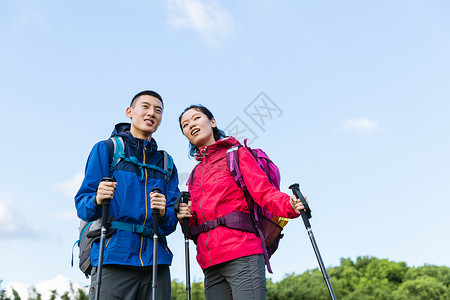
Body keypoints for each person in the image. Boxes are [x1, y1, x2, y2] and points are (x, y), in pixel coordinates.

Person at [176, 104, 305, 300]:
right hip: (210, 263)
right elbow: (192, 227)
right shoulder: (194, 175)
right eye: (185, 125)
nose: (191, 125)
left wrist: (291, 205)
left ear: (212, 122)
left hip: (242, 252)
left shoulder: (237, 154)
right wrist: (183, 215)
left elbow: (264, 192)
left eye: (196, 118)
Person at [75, 90, 180, 299]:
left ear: (160, 120)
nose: (152, 113)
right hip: (113, 256)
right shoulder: (107, 149)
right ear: (129, 112)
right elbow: (82, 206)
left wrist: (165, 212)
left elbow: (170, 224)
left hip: (156, 262)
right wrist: (97, 198)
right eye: (146, 107)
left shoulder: (166, 163)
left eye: (158, 110)